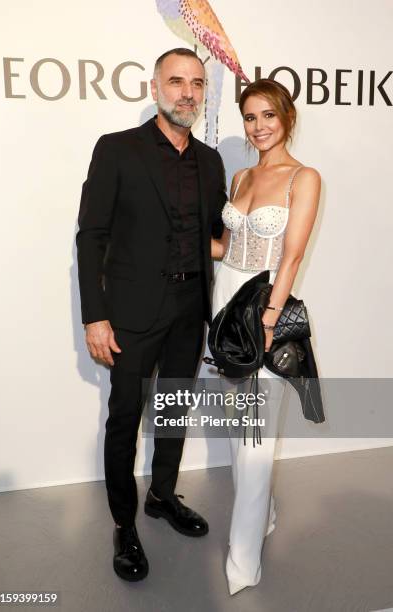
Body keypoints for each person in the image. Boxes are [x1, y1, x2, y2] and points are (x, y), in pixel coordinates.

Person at [76, 47, 226, 582]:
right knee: (124, 421)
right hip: (132, 315)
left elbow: (216, 235)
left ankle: (162, 495)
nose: (187, 92)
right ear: (154, 87)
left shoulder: (210, 161)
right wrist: (96, 317)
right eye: (177, 81)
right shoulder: (117, 149)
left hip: (190, 313)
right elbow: (91, 235)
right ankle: (124, 523)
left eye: (197, 84)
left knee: (173, 412)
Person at [211, 78, 321, 595]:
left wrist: (271, 319)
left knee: (256, 440)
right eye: (250, 117)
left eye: (268, 116)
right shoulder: (240, 177)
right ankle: (265, 512)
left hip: (263, 307)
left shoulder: (305, 178)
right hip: (224, 304)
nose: (259, 127)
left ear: (287, 117)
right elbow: (227, 248)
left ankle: (243, 560)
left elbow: (292, 255)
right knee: (240, 430)